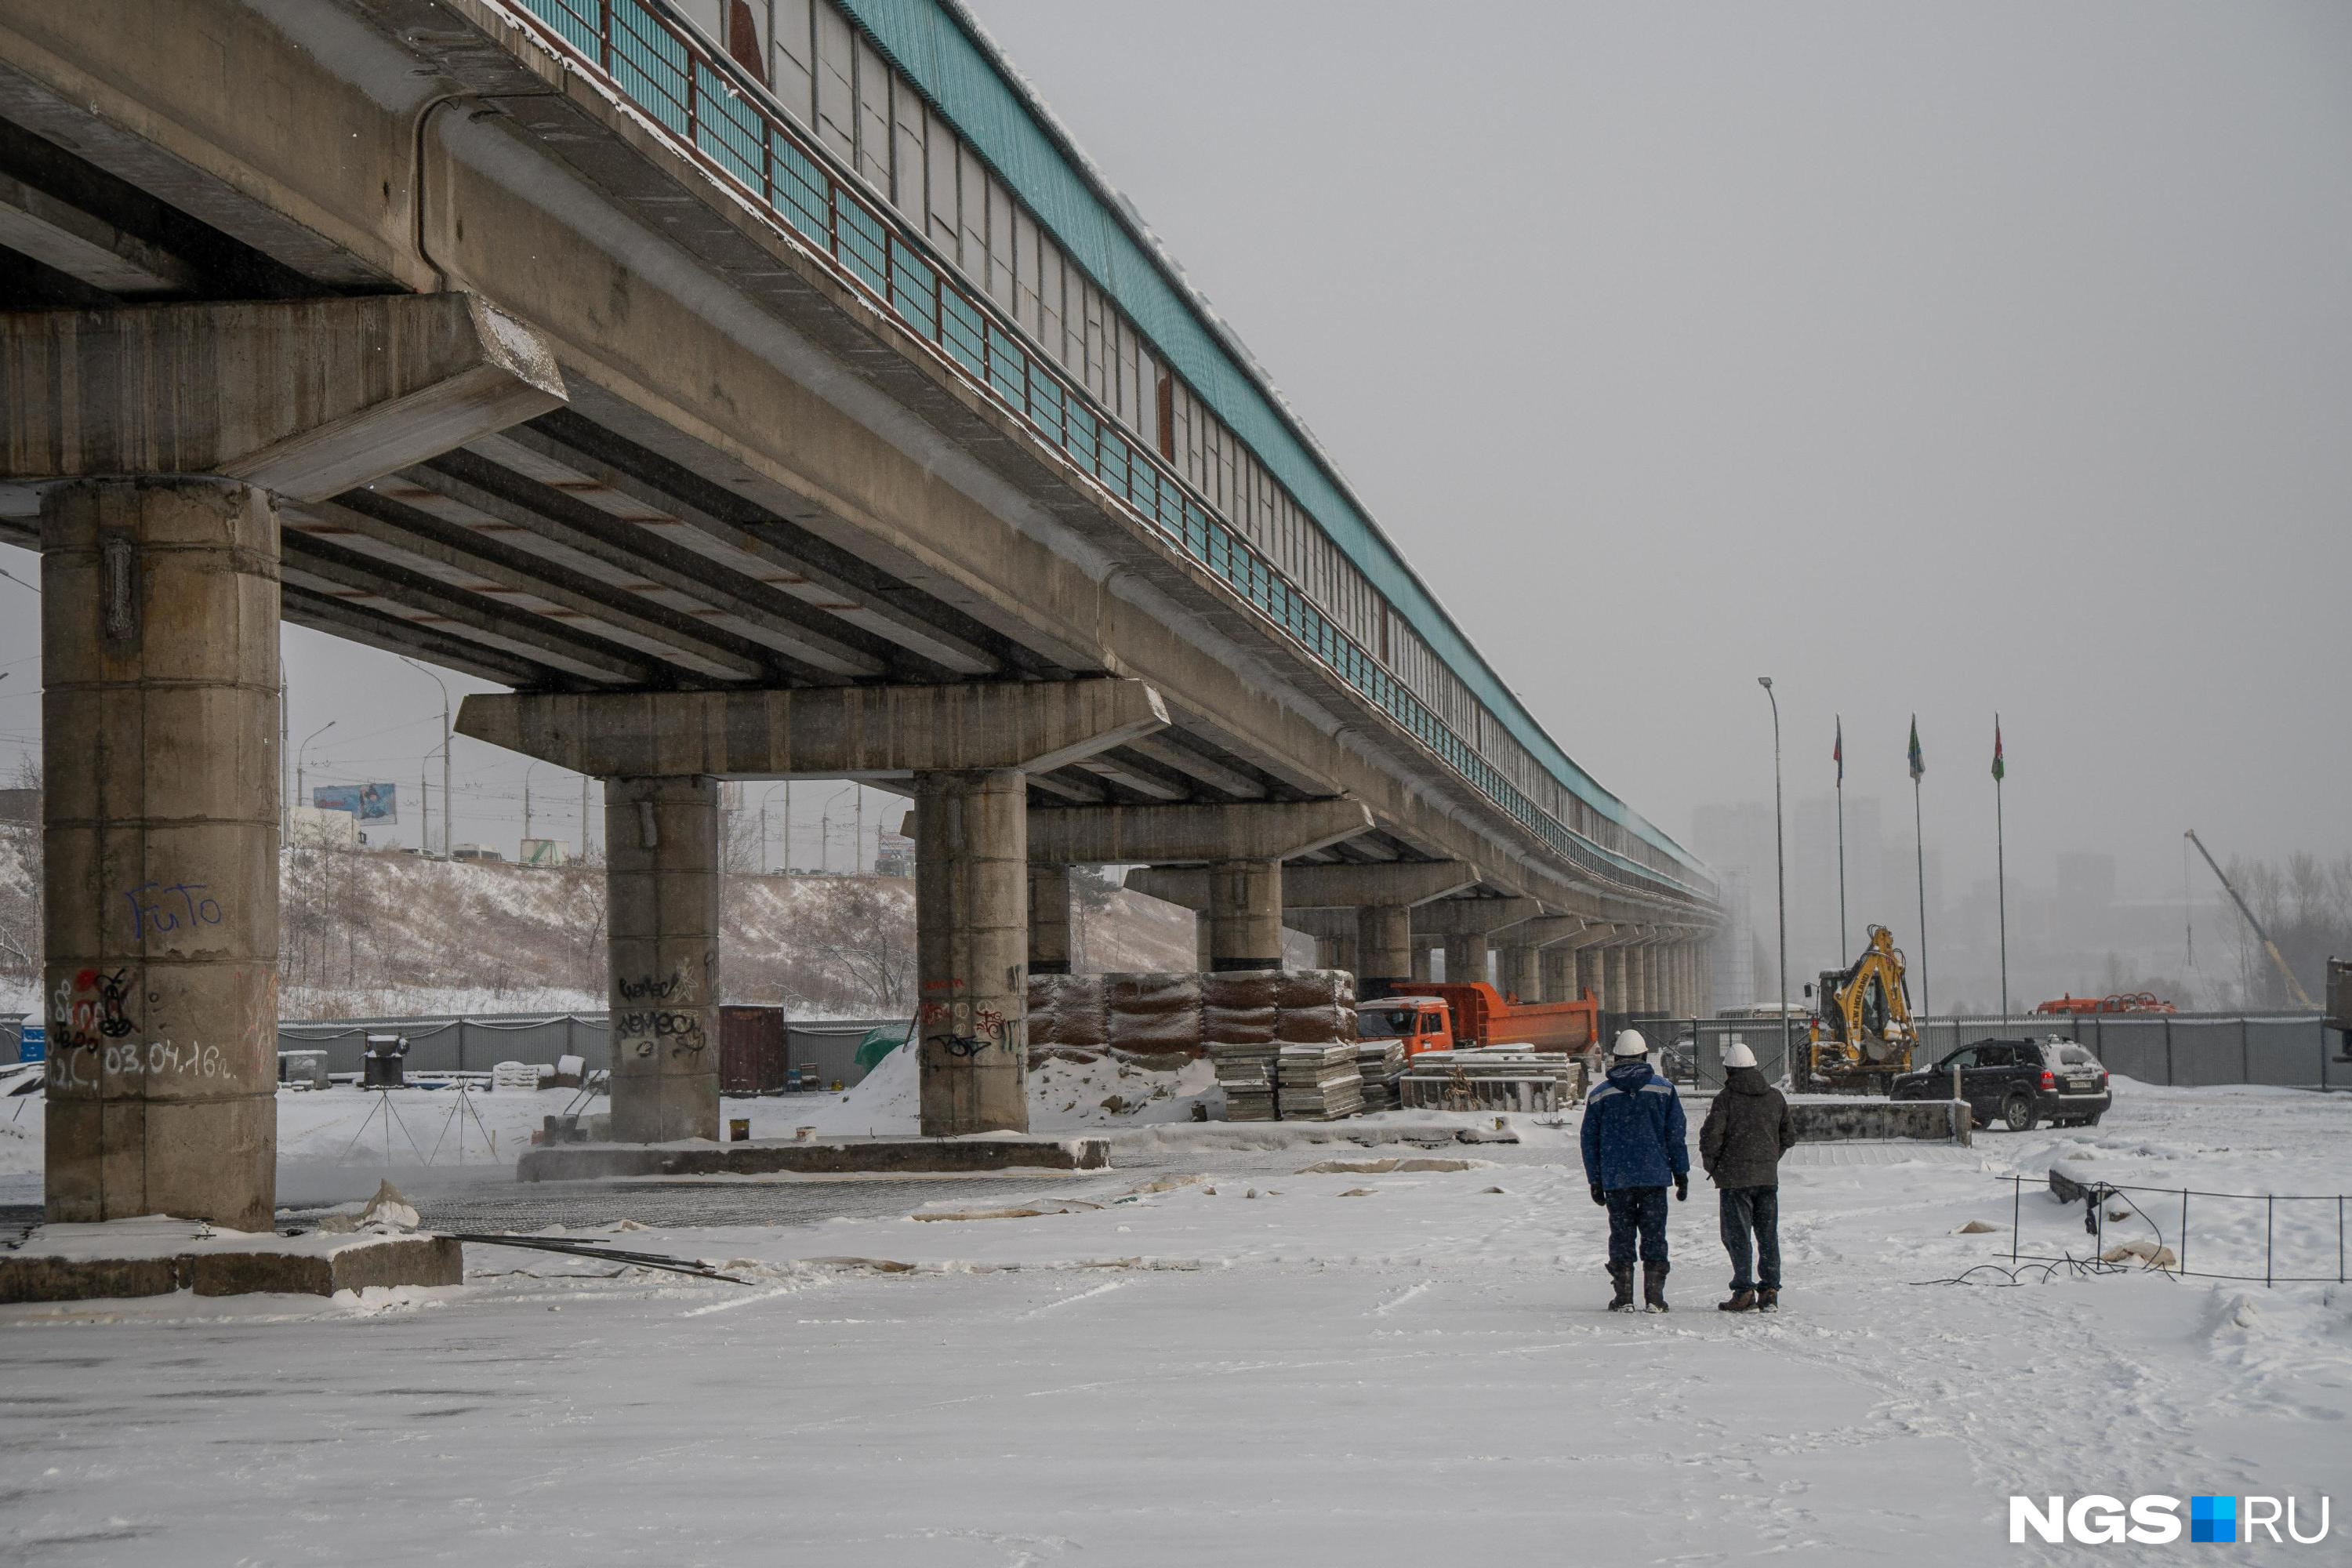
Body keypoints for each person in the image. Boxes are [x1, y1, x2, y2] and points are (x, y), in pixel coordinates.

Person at [1580, 1028, 1689, 1312]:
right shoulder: (1664, 1090)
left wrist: (1595, 1180)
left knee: (1621, 1235)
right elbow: (1675, 1135)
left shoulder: (1600, 1094)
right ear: (1643, 1055)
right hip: (1654, 1177)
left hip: (1617, 1180)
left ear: (1616, 1058)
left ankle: (1624, 1296)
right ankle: (1655, 1297)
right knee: (1655, 1234)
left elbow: (1589, 1141)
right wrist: (1681, 1173)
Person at [1698, 1040, 1797, 1312]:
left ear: (1728, 1071)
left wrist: (1716, 1166)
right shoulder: (1775, 1097)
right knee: (1768, 1235)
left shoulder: (1725, 1100)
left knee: (1737, 1236)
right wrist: (1768, 1159)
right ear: (1755, 1067)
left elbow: (1710, 1139)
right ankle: (1770, 1291)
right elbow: (1788, 1136)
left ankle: (1743, 1292)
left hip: (1734, 1182)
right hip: (1767, 1179)